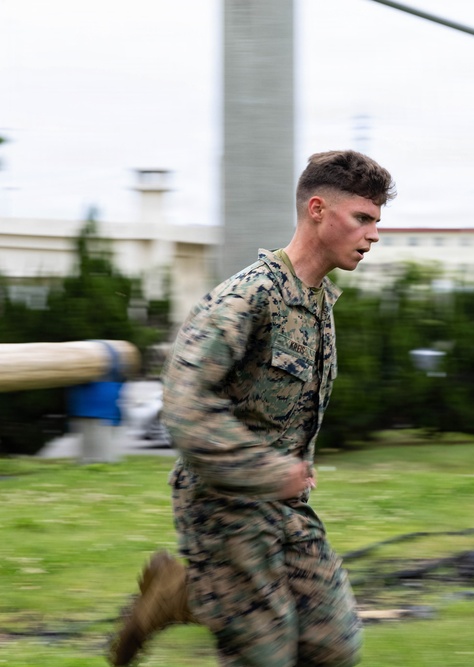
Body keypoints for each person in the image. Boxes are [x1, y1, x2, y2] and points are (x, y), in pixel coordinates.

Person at [108, 150, 396, 667]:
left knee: (334, 645)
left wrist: (282, 477)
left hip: (282, 505)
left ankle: (183, 593)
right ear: (317, 210)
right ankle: (191, 593)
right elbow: (183, 403)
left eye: (376, 220)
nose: (374, 234)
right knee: (263, 652)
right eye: (363, 219)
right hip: (220, 502)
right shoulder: (248, 297)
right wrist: (264, 469)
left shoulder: (318, 305)